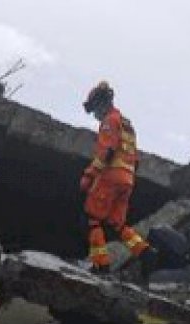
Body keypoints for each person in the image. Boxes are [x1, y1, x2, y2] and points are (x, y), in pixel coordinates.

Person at [80, 81, 150, 271]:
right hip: (128, 180)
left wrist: (90, 175)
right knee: (116, 225)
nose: (95, 115)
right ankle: (146, 254)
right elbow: (135, 159)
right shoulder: (128, 125)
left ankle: (101, 264)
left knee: (93, 218)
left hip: (111, 177)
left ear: (102, 104)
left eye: (95, 109)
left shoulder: (110, 121)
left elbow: (107, 151)